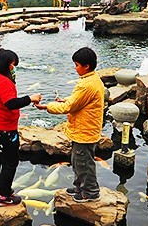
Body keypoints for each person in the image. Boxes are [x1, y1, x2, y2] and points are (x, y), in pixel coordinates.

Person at [38, 46, 104, 201]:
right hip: (82, 130)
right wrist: (66, 99)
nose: (75, 69)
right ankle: (80, 187)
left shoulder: (87, 84)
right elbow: (77, 101)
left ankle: (91, 192)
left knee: (84, 164)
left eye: (77, 65)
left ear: (86, 66)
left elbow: (69, 107)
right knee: (77, 161)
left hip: (85, 132)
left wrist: (47, 106)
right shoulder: (92, 80)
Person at [0, 50, 41, 205]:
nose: (13, 67)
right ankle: (4, 196)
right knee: (10, 162)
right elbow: (10, 104)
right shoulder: (3, 81)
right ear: (6, 64)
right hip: (4, 129)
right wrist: (30, 98)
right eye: (13, 64)